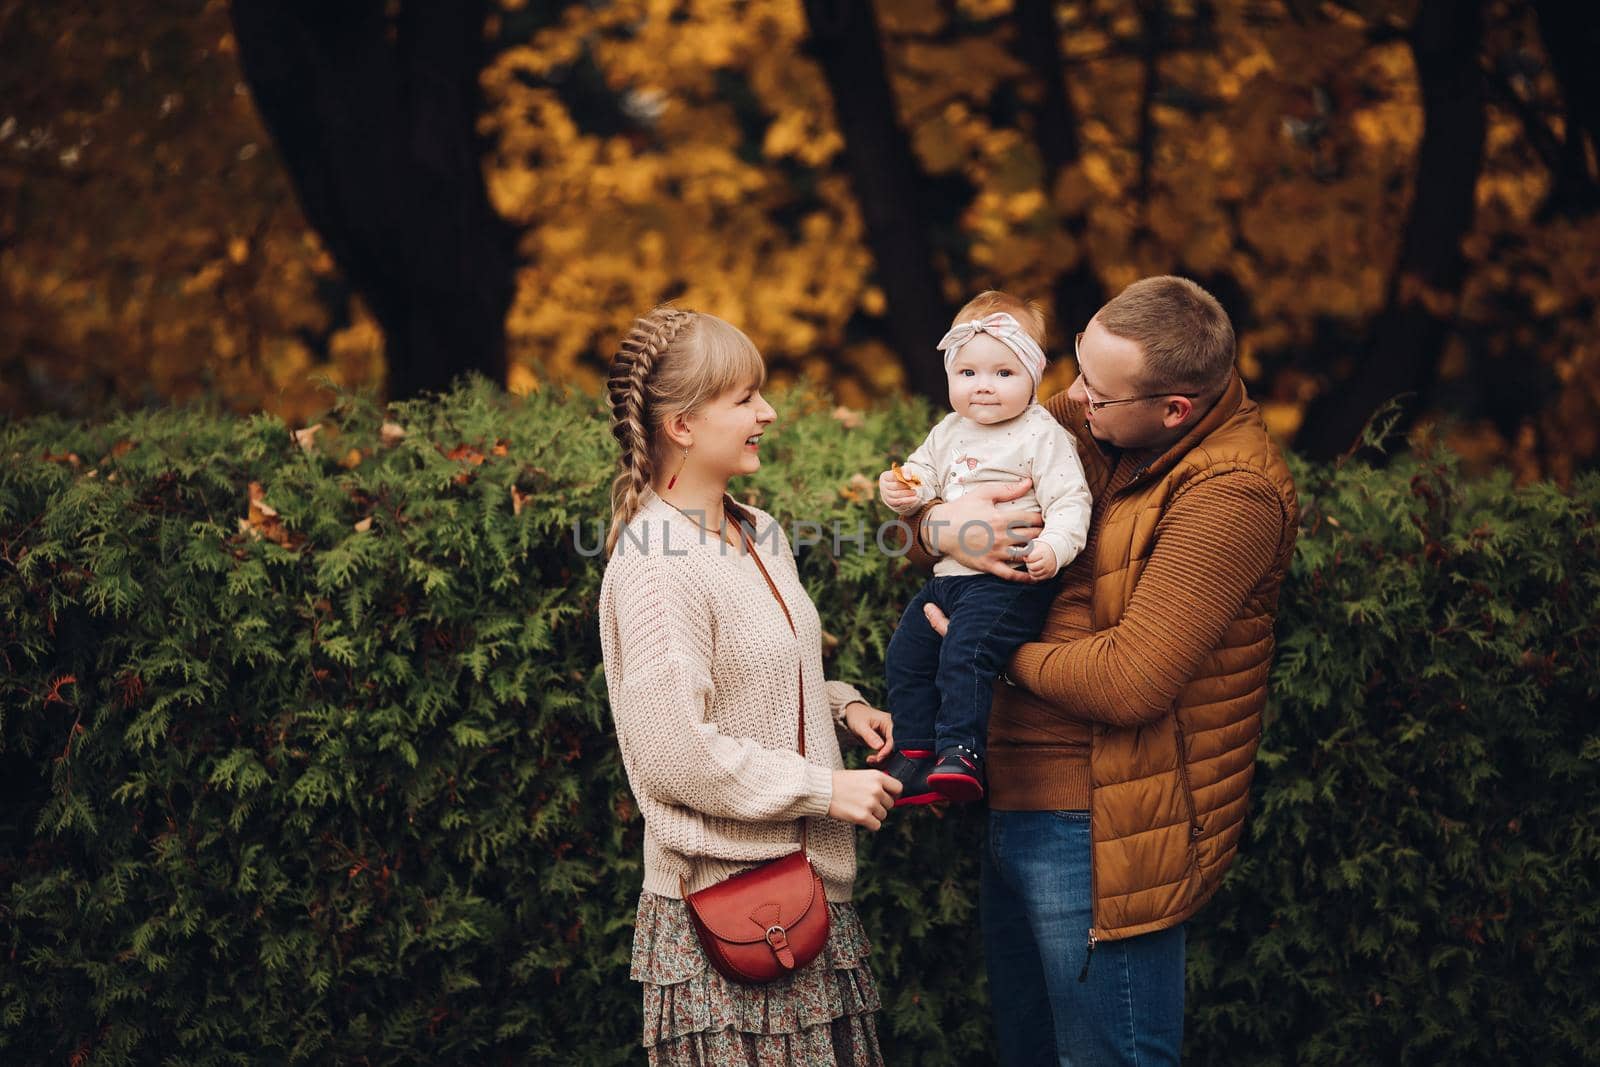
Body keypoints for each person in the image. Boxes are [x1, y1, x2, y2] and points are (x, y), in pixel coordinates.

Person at [903, 276, 1299, 1065]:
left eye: (1097, 390)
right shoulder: (1088, 418)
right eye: (1078, 369)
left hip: (1103, 824)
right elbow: (946, 498)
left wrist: (982, 651)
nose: (1071, 396)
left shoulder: (1233, 494)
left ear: (1174, 408)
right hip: (1015, 792)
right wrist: (939, 524)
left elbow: (1130, 680)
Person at [597, 305, 902, 1066]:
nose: (767, 412)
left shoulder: (755, 529)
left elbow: (764, 680)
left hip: (810, 900)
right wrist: (824, 789)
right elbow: (678, 752)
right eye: (743, 398)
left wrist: (844, 706)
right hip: (727, 913)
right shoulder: (656, 563)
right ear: (682, 425)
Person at [875, 291, 1091, 804]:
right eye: (967, 373)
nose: (984, 387)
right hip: (949, 578)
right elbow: (922, 479)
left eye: (1003, 373)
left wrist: (1055, 549)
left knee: (965, 652)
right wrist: (902, 491)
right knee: (906, 654)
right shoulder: (949, 430)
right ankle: (915, 751)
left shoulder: (1043, 434)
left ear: (1034, 378)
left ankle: (962, 752)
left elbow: (1070, 501)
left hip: (1008, 582)